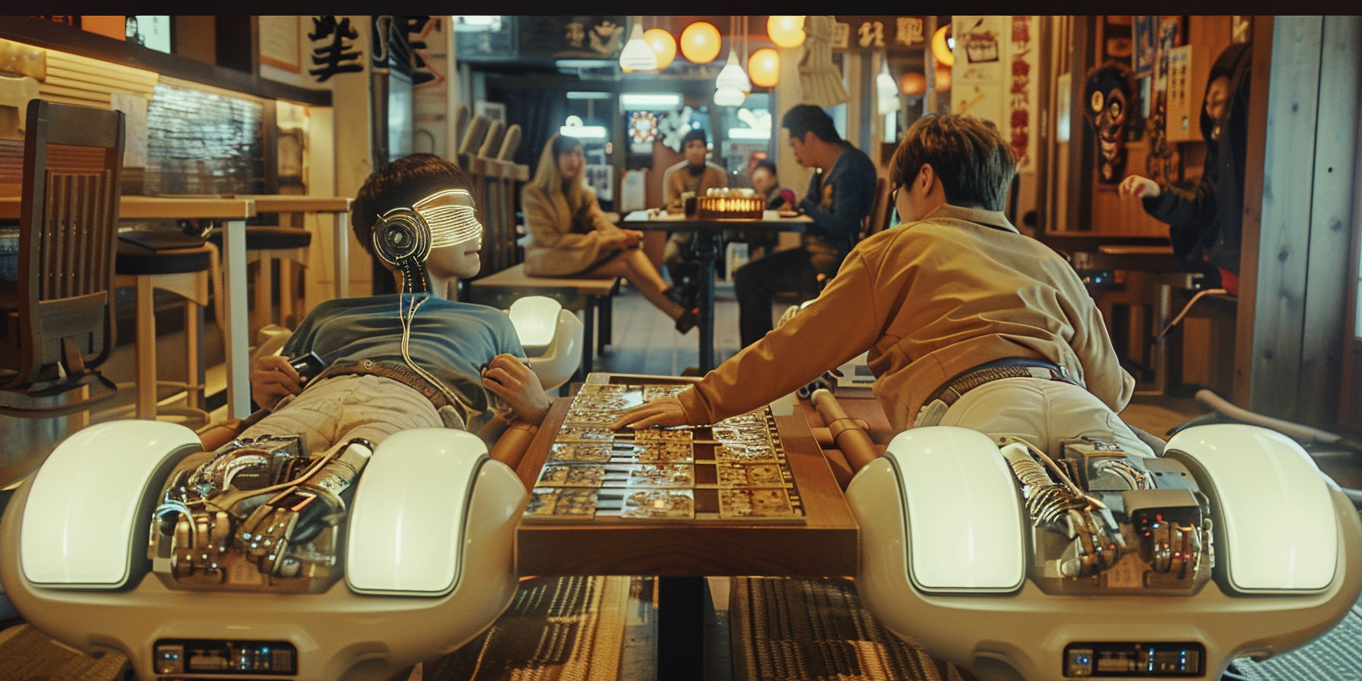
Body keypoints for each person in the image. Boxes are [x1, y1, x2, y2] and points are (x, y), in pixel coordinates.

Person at [616, 114, 1154, 463]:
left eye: (897, 191)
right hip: (1085, 411)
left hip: (971, 415)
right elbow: (1110, 388)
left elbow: (797, 346)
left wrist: (698, 403)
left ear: (923, 180)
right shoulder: (1050, 262)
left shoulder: (894, 248)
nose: (897, 205)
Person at [245, 153, 551, 457]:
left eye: (471, 217)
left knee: (357, 472)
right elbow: (270, 400)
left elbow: (515, 417)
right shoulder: (327, 314)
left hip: (410, 404)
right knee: (227, 474)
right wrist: (261, 388)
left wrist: (538, 409)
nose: (477, 230)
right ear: (399, 236)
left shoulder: (490, 322)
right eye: (455, 220)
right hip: (314, 401)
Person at [731, 104, 877, 348]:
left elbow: (841, 226)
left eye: (793, 144)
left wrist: (805, 208)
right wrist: (801, 207)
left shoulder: (849, 167)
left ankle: (757, 368)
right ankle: (759, 362)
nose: (794, 152)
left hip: (833, 262)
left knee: (750, 278)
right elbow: (809, 204)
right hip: (817, 255)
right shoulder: (827, 169)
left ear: (809, 138)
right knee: (748, 275)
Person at [523, 133, 697, 334]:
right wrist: (610, 240)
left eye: (579, 154)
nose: (575, 160)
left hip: (577, 256)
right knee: (627, 258)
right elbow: (550, 239)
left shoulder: (584, 194)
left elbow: (602, 223)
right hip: (550, 260)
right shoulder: (535, 194)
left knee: (627, 257)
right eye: (568, 154)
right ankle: (673, 299)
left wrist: (622, 237)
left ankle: (679, 312)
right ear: (553, 159)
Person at [1118, 42, 1253, 296]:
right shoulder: (1219, 152)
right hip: (1228, 279)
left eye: (1220, 102)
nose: (1211, 112)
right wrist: (1156, 192)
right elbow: (1202, 201)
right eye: (1208, 102)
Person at [661, 129, 729, 306]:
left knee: (707, 257)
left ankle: (697, 294)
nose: (695, 150)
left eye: (699, 146)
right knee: (669, 257)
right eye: (690, 146)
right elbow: (670, 205)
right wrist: (701, 206)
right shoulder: (673, 174)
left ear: (706, 149)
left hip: (709, 230)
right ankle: (681, 289)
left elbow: (723, 205)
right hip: (682, 230)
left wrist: (687, 206)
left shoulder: (718, 173)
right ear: (684, 150)